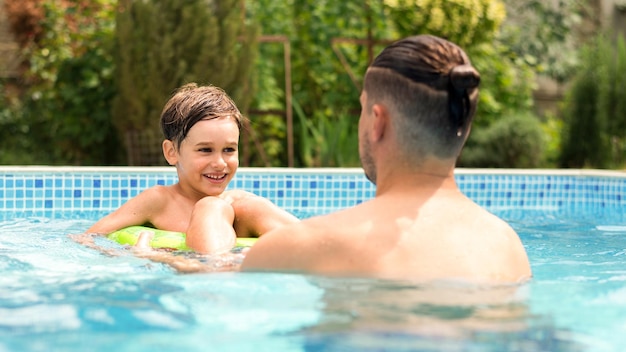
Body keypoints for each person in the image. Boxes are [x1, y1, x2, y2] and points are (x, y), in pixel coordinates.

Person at [241, 35, 532, 283]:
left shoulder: (302, 247)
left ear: (378, 120)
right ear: (464, 126)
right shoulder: (508, 247)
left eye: (363, 110)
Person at [79, 83, 298, 254]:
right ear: (171, 152)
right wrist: (126, 255)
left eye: (229, 150)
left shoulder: (244, 208)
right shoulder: (159, 201)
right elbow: (88, 238)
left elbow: (307, 239)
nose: (220, 163)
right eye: (205, 150)